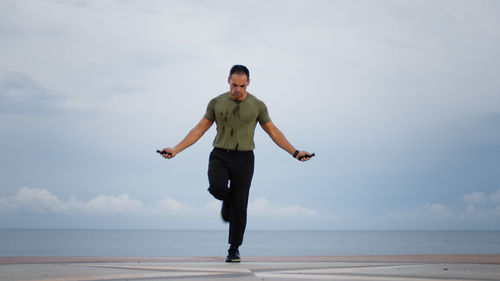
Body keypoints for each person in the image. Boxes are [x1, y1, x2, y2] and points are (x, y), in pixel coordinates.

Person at [159, 65, 313, 262]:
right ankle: (225, 199)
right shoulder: (216, 103)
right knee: (217, 188)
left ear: (248, 82)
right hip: (220, 155)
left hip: (245, 158)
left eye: (242, 85)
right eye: (234, 85)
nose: (238, 89)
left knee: (240, 205)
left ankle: (234, 249)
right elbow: (199, 129)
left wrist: (295, 152)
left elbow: (273, 132)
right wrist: (176, 149)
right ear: (228, 81)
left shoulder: (257, 105)